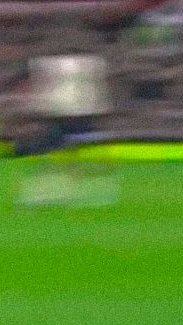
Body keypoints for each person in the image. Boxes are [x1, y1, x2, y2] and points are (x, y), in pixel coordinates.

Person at [19, 51, 117, 208]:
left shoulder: (63, 72)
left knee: (59, 159)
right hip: (68, 121)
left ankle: (48, 192)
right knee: (62, 159)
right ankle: (53, 191)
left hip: (68, 121)